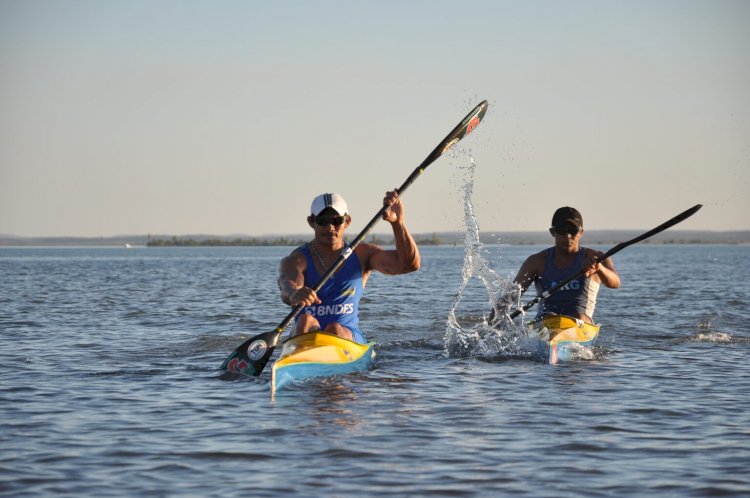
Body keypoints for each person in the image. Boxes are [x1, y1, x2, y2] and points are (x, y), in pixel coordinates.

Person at [278, 190, 420, 343]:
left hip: (347, 337)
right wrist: (294, 294)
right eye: (323, 221)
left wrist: (397, 224)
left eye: (337, 220)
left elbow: (409, 265)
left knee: (334, 328)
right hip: (304, 334)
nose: (330, 227)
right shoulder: (296, 259)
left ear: (347, 221)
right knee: (305, 320)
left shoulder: (363, 255)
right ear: (311, 222)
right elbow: (287, 285)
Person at [492, 206, 620, 325]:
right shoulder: (537, 261)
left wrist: (600, 268)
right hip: (546, 322)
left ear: (581, 232)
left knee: (578, 316)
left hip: (581, 323)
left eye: (573, 230)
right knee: (549, 316)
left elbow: (615, 283)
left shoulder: (596, 257)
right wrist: (490, 324)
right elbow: (510, 297)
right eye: (562, 231)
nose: (568, 236)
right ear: (553, 232)